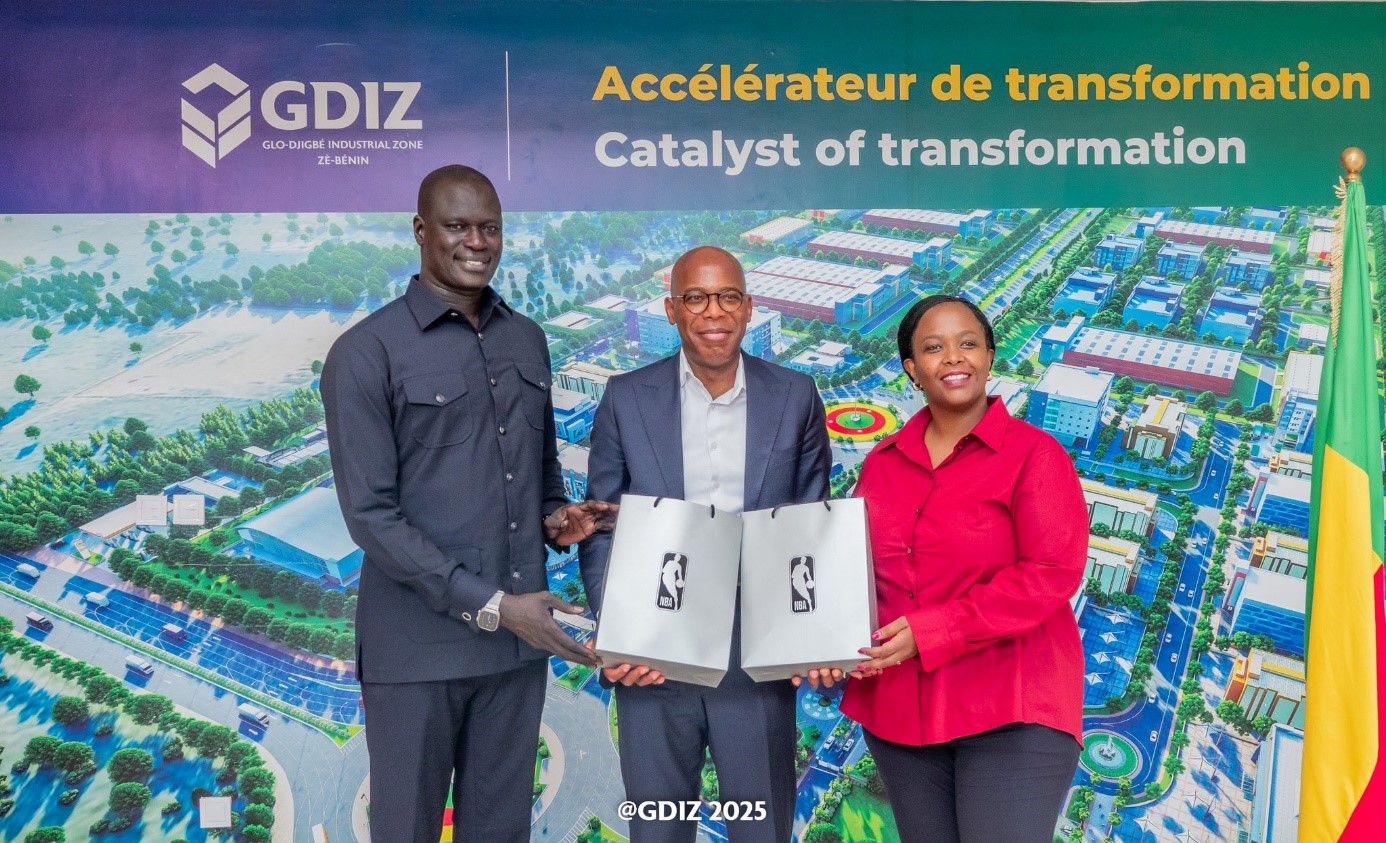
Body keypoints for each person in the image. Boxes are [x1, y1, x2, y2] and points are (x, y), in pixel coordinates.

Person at [321, 164, 614, 843]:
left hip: (514, 652)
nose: (476, 242)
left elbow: (538, 469)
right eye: (457, 226)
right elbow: (371, 517)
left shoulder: (526, 338)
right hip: (417, 654)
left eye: (490, 228)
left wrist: (557, 518)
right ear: (421, 230)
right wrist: (493, 605)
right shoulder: (364, 353)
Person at [579, 245, 832, 842]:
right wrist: (618, 633)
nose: (713, 311)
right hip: (653, 660)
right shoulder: (625, 397)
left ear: (748, 308)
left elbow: (810, 530)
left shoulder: (795, 395)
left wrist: (813, 635)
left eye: (727, 297)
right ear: (672, 309)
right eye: (695, 297)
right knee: (659, 831)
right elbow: (602, 525)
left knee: (760, 831)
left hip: (757, 665)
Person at [839, 295, 1088, 843]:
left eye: (968, 343)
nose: (954, 357)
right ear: (912, 369)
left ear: (989, 357)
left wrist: (933, 631)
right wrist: (828, 644)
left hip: (1012, 706)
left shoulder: (1036, 456)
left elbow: (1050, 573)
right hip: (902, 713)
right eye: (934, 347)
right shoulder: (881, 463)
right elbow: (851, 574)